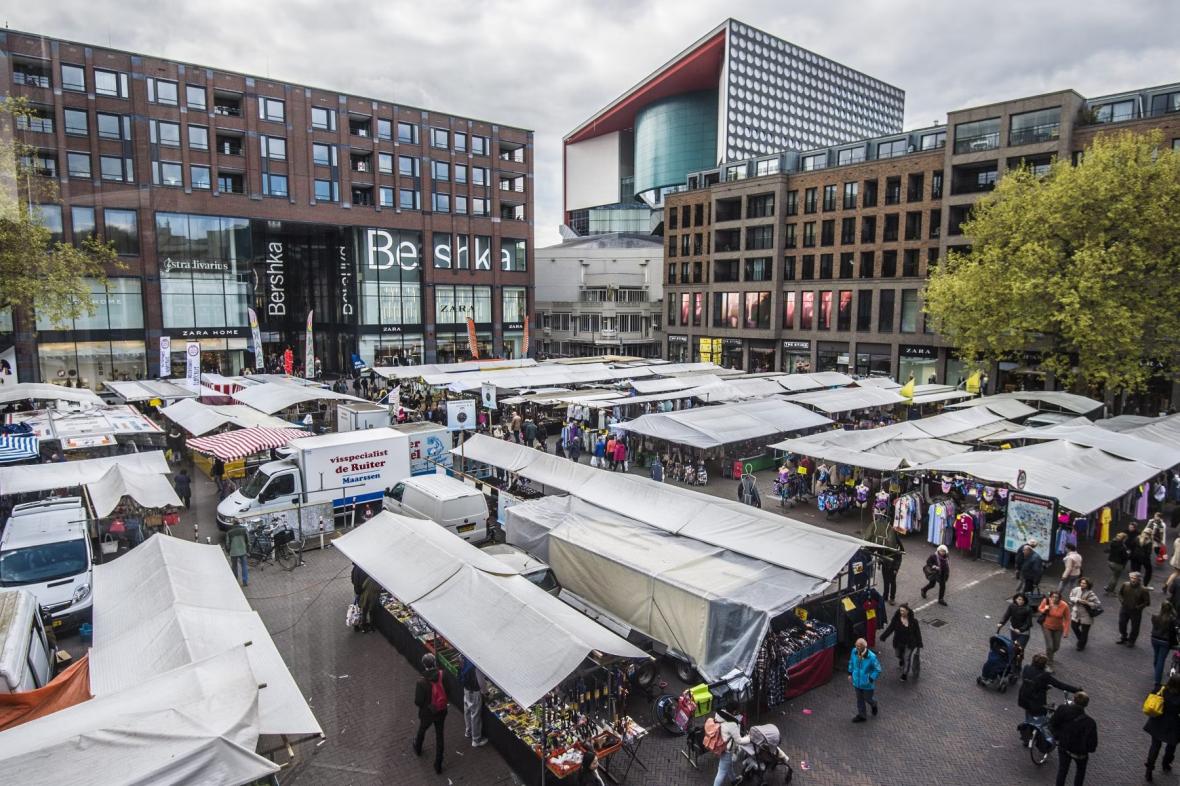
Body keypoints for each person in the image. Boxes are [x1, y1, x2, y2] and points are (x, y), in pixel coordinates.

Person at [1049, 691, 1098, 786]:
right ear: (1086, 704)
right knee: (1080, 772)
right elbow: (1093, 745)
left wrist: (1058, 737)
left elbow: (1052, 724)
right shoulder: (1090, 722)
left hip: (1064, 747)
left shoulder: (1062, 709)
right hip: (1080, 753)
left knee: (1062, 771)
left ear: (1074, 700)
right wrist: (1086, 749)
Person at [1018, 653, 1080, 724]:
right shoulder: (1045, 676)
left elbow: (1031, 681)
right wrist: (1076, 690)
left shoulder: (1026, 668)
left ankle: (1027, 724)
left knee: (1028, 711)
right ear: (1044, 665)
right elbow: (1059, 685)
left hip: (1023, 697)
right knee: (1041, 716)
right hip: (1036, 701)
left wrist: (1044, 686)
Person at [413, 653, 449, 774]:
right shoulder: (442, 675)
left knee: (422, 729)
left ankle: (418, 747)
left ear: (424, 665)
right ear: (434, 663)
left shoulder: (421, 682)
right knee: (440, 736)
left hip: (427, 712)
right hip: (441, 710)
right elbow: (448, 691)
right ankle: (438, 764)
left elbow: (418, 701)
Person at [1145, 674, 1180, 781]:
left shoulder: (1161, 689)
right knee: (1171, 746)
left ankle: (1149, 770)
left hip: (1158, 722)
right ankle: (1166, 763)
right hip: (1174, 725)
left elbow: (1151, 696)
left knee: (1155, 746)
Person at [879, 603, 923, 681]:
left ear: (908, 611)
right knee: (897, 654)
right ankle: (901, 659)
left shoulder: (914, 622)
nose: (901, 612)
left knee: (907, 658)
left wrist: (919, 644)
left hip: (909, 644)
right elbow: (890, 629)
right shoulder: (896, 620)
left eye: (903, 611)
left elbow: (917, 633)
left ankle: (904, 674)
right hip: (898, 643)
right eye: (900, 611)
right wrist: (883, 636)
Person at [848, 637, 881, 722]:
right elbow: (851, 662)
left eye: (859, 646)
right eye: (856, 645)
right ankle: (862, 716)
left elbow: (877, 669)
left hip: (867, 683)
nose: (857, 648)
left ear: (864, 647)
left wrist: (871, 678)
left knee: (867, 698)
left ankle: (873, 704)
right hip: (857, 682)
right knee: (859, 699)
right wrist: (850, 673)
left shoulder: (872, 657)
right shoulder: (854, 651)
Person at [458, 655, 488, 748]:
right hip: (474, 692)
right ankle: (476, 740)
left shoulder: (462, 656)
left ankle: (468, 731)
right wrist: (486, 693)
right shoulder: (476, 665)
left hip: (466, 689)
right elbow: (481, 683)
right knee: (475, 715)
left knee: (467, 710)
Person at [1038, 590, 1071, 670]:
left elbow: (1067, 619)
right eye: (1053, 597)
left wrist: (1066, 632)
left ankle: (1048, 655)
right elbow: (1040, 608)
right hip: (1046, 626)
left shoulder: (1064, 605)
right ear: (1051, 597)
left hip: (1058, 628)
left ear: (1060, 598)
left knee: (1056, 647)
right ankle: (1049, 664)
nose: (1054, 599)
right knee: (1050, 646)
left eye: (1057, 597)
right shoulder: (1046, 601)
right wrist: (1045, 609)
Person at [710, 713, 746, 786]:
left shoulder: (719, 715)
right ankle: (733, 780)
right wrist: (749, 738)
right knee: (721, 772)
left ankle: (734, 780)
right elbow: (739, 740)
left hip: (720, 746)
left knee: (728, 765)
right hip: (727, 750)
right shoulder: (732, 725)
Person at [1118, 572, 1152, 647]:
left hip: (1136, 611)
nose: (1133, 580)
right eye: (1131, 578)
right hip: (1125, 608)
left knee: (1135, 627)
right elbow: (1120, 594)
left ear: (1139, 580)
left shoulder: (1143, 590)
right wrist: (1122, 601)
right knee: (1121, 623)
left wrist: (1138, 607)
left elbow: (1147, 602)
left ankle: (1131, 640)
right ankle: (1123, 636)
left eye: (1135, 578)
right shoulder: (1125, 585)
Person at [1151, 602, 1179, 690]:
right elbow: (1174, 630)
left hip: (1154, 639)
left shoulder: (1155, 616)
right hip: (1165, 641)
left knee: (1156, 657)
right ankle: (1157, 681)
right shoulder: (1171, 619)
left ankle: (1157, 672)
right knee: (1161, 660)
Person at [1069, 578, 1100, 652]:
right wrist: (1077, 600)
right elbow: (1071, 597)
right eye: (1081, 583)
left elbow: (1097, 603)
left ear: (1088, 585)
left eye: (1084, 583)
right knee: (1074, 627)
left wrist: (1087, 603)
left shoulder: (1090, 593)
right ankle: (1082, 640)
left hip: (1086, 614)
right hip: (1076, 613)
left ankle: (1081, 645)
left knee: (1084, 631)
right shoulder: (1076, 589)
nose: (1082, 584)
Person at [225, 520, 249, 587]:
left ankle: (235, 581)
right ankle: (245, 581)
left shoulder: (229, 532)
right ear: (239, 523)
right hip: (243, 551)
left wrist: (228, 551)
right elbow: (248, 541)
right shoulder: (244, 530)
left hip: (233, 552)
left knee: (234, 567)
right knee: (244, 566)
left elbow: (227, 543)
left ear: (233, 524)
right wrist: (248, 550)